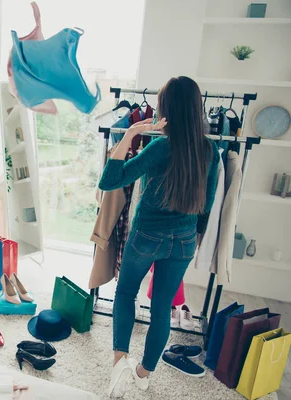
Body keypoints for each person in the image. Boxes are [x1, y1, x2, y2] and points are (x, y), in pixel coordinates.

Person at [99, 76, 220, 396]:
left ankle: (119, 364)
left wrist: (129, 133)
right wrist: (192, 238)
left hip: (147, 235)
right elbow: (206, 205)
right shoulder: (211, 150)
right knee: (162, 307)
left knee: (125, 294)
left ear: (165, 109)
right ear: (197, 109)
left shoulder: (159, 147)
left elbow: (110, 181)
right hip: (183, 241)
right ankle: (143, 374)